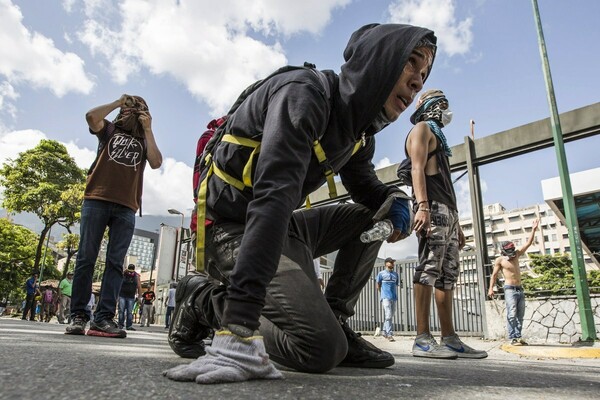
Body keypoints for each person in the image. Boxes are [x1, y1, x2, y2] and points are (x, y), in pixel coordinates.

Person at [164, 23, 437, 384]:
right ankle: (203, 300)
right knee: (319, 349)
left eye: (424, 73)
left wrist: (394, 198)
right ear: (378, 60)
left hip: (281, 227)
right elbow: (272, 199)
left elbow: (367, 189)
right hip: (232, 230)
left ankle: (335, 318)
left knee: (370, 215)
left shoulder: (359, 136)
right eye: (411, 63)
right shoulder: (303, 95)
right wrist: (240, 330)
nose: (418, 81)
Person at [65, 94, 162, 338]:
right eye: (130, 106)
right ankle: (78, 315)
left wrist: (148, 128)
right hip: (96, 199)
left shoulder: (143, 139)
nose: (133, 110)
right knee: (86, 258)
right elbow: (91, 117)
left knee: (115, 264)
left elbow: (156, 162)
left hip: (126, 206)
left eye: (139, 108)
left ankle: (104, 318)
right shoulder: (109, 130)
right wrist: (118, 103)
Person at [405, 89, 487, 359]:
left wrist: (458, 224)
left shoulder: (438, 137)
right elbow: (416, 168)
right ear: (429, 106)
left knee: (448, 275)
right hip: (433, 208)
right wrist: (423, 206)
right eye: (442, 104)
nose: (446, 110)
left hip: (448, 212)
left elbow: (446, 183)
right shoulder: (421, 128)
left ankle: (449, 338)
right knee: (428, 268)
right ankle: (421, 338)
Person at [488, 219, 540, 345]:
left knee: (520, 315)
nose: (511, 255)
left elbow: (528, 243)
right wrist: (491, 288)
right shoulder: (500, 260)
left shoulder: (516, 254)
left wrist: (533, 230)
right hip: (509, 289)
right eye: (509, 253)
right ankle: (512, 338)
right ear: (503, 252)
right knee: (512, 313)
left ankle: (518, 336)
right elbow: (494, 275)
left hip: (520, 288)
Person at [376, 257, 400, 342]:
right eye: (391, 262)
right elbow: (378, 285)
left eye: (393, 262)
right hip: (385, 297)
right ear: (386, 263)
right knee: (389, 315)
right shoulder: (381, 274)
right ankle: (389, 334)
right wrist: (382, 294)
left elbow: (396, 285)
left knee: (390, 315)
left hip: (393, 298)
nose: (393, 264)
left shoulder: (396, 274)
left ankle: (384, 331)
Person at [118, 264, 142, 331]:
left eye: (132, 271)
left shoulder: (136, 276)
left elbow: (139, 286)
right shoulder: (124, 274)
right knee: (121, 311)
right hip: (122, 295)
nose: (130, 273)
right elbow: (118, 282)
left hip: (131, 296)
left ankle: (129, 325)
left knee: (129, 312)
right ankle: (120, 324)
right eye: (129, 271)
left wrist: (140, 297)